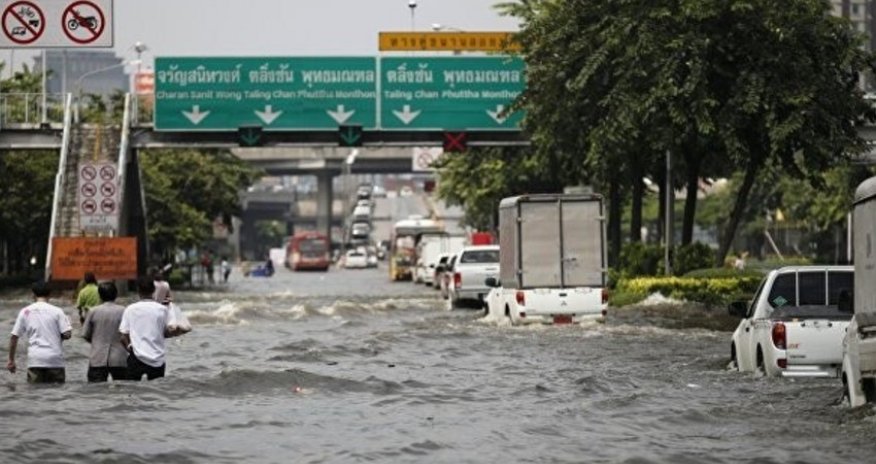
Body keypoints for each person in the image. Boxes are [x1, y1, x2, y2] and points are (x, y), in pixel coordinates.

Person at [7, 281, 73, 384]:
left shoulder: (25, 311)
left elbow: (14, 337)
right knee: (57, 392)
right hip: (55, 360)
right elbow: (67, 334)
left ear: (33, 294)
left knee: (35, 392)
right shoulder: (58, 311)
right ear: (50, 294)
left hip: (35, 360)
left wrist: (11, 360)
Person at [120, 276, 177, 381]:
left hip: (136, 357)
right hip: (157, 359)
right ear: (154, 290)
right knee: (157, 389)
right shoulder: (162, 310)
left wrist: (130, 348)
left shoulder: (130, 309)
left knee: (131, 389)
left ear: (138, 290)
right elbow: (167, 332)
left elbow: (123, 337)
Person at [82, 281, 129, 382]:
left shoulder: (93, 311)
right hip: (119, 358)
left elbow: (85, 334)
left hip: (98, 357)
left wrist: (96, 341)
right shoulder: (124, 311)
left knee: (96, 389)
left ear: (100, 295)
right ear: (116, 295)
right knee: (123, 388)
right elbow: (128, 333)